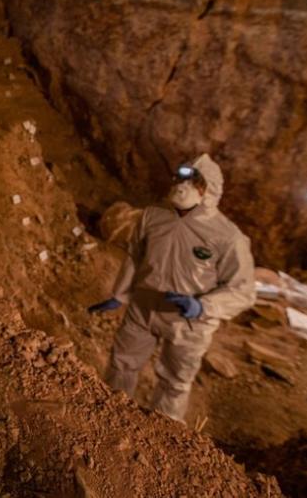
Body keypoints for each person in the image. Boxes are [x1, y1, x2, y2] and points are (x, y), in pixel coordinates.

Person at [87, 154, 255, 422]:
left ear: (209, 189)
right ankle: (110, 423)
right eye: (181, 178)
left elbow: (243, 289)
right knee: (122, 365)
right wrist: (120, 295)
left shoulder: (228, 237)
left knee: (174, 383)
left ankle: (164, 438)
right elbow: (135, 256)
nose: (182, 186)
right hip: (143, 308)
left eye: (194, 182)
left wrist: (203, 306)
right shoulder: (152, 216)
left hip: (188, 323)